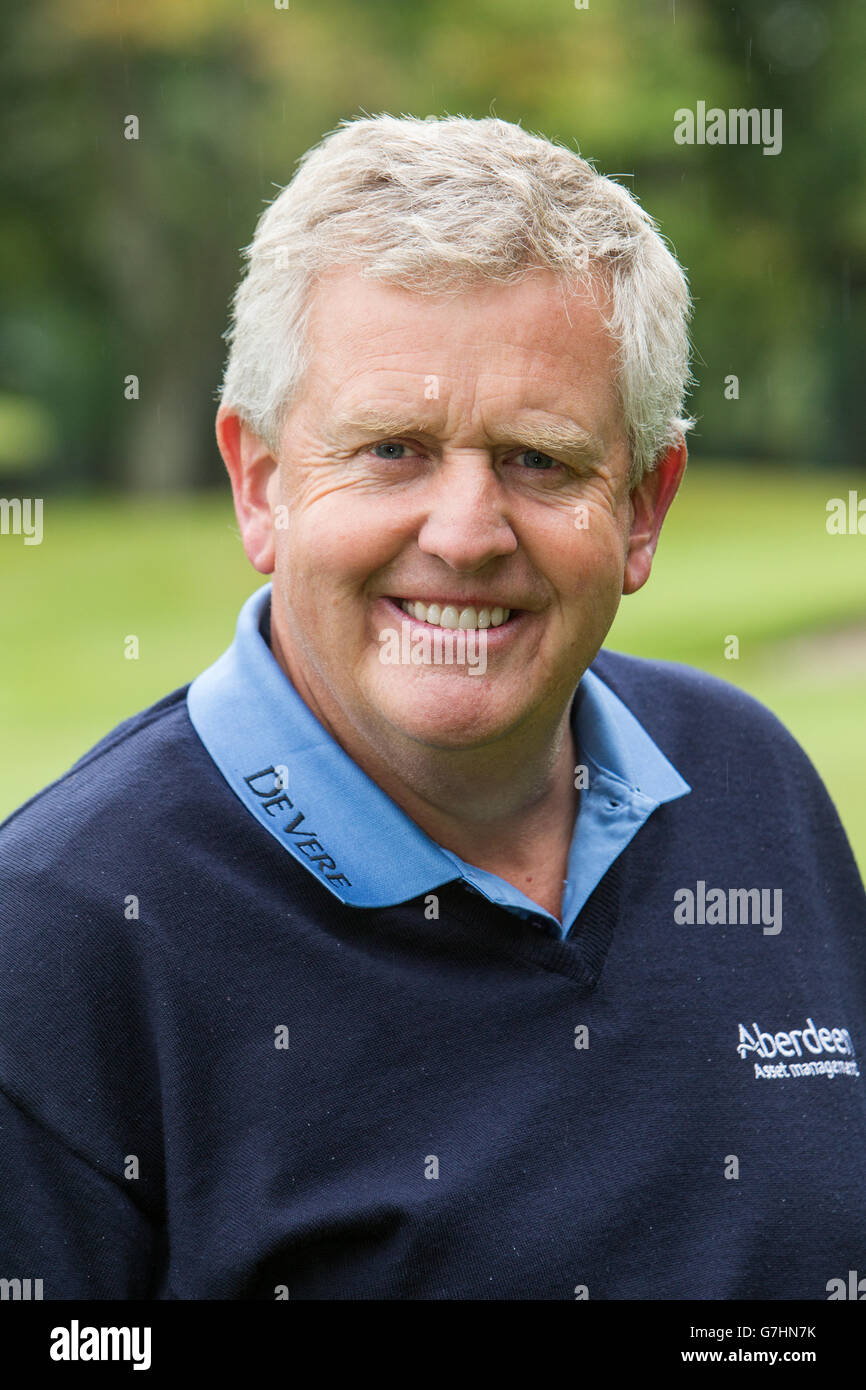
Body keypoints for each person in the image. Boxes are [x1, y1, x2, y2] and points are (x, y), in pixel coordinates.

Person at [1, 115, 864, 1301]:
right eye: (393, 450)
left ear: (645, 507)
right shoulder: (58, 933)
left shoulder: (748, 781)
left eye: (539, 460)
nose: (463, 535)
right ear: (259, 484)